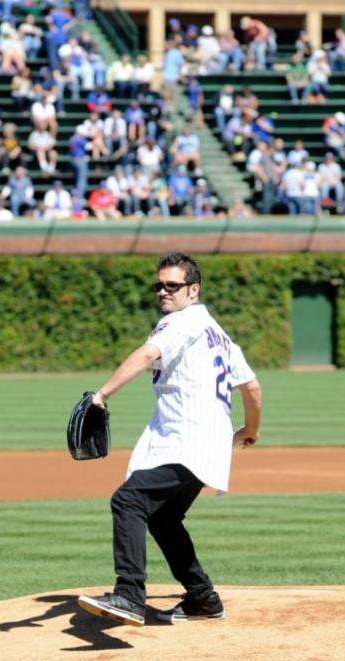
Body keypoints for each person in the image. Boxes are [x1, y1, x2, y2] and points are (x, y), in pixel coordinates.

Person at [77, 251, 262, 627]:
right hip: (206, 444)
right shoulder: (218, 333)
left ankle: (129, 594)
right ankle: (202, 598)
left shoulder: (181, 322)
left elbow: (146, 355)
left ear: (193, 290)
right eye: (159, 285)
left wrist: (102, 395)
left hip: (187, 441)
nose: (163, 291)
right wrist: (251, 430)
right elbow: (252, 386)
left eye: (172, 286)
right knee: (163, 518)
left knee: (127, 500)